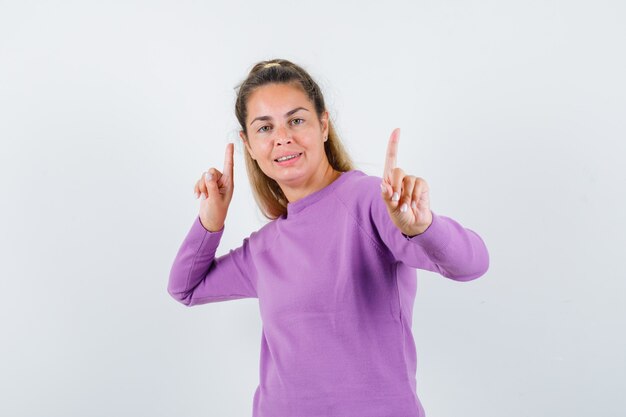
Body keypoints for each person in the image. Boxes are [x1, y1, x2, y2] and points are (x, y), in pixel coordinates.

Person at [168, 58, 490, 417]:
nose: (282, 137)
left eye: (296, 120)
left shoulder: (371, 201)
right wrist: (211, 220)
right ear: (247, 143)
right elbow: (185, 288)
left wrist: (423, 227)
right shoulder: (265, 247)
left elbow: (472, 263)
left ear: (323, 125)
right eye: (264, 127)